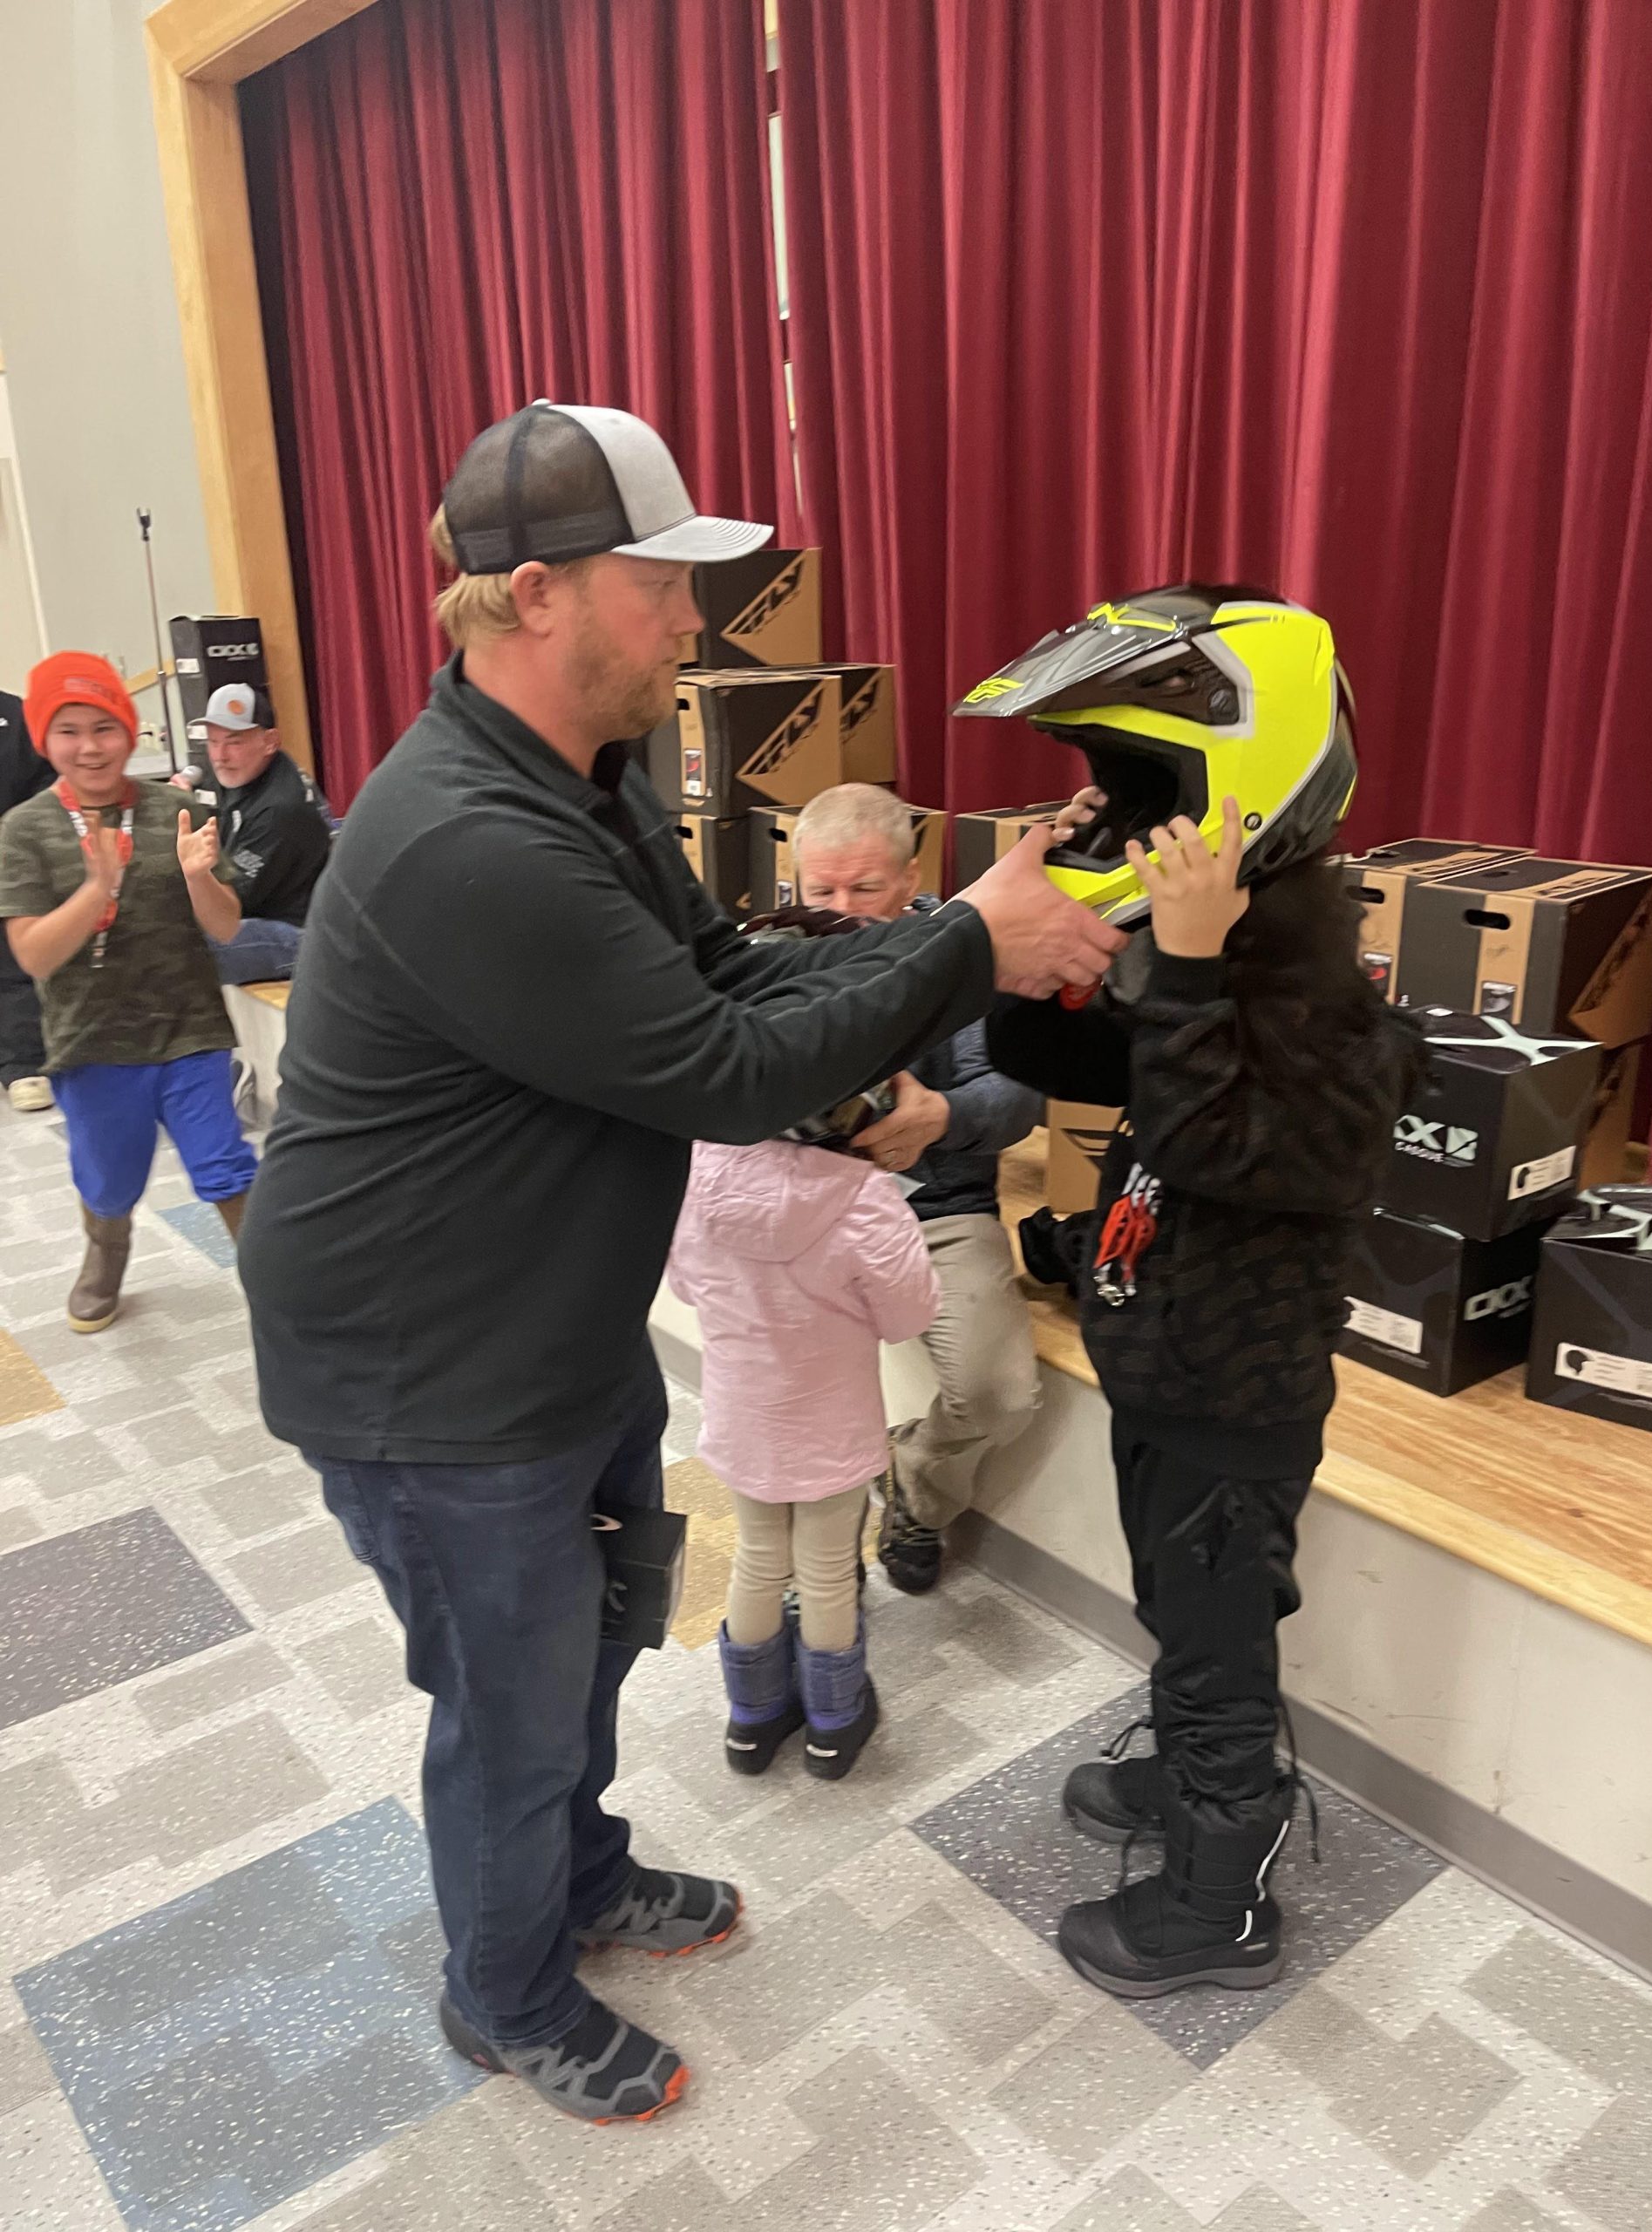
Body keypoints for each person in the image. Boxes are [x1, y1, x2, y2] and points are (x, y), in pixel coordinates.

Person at [236, 402, 1119, 2127]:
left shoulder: (585, 780)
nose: (693, 622)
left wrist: (938, 976)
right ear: (539, 595)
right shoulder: (466, 839)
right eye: (660, 584)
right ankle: (504, 1992)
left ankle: (576, 1876)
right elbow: (720, 1069)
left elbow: (722, 977)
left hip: (546, 1326)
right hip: (427, 1371)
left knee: (586, 1646)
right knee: (509, 1701)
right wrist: (965, 938)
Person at [967, 583, 1424, 1999]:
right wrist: (1050, 933)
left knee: (1220, 1642)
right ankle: (1188, 1771)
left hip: (1236, 1398)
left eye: (1140, 790)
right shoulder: (1214, 966)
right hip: (1162, 1360)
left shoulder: (1326, 1009)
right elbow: (1055, 1065)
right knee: (1181, 1608)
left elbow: (1223, 1143)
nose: (1121, 820)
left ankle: (1222, 1906)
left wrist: (1189, 966)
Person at [667, 924, 942, 1782]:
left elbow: (685, 1284)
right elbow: (909, 1315)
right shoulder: (864, 1198)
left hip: (743, 1423)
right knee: (826, 1573)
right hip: (833, 1431)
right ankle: (832, 1723)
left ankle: (751, 1722)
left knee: (756, 1561)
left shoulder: (697, 1170)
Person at [792, 784, 1044, 1593]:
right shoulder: (772, 956)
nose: (842, 911)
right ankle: (815, 1548)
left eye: (865, 888)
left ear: (910, 879)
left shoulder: (963, 958)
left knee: (1000, 1395)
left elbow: (1019, 1098)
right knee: (780, 1390)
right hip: (804, 1212)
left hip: (936, 1209)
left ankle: (916, 1488)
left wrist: (941, 1118)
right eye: (821, 891)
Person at [0, 653, 257, 1331]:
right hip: (93, 1041)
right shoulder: (25, 828)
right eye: (69, 731)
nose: (89, 747)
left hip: (190, 1029)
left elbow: (227, 927)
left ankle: (278, 1283)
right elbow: (33, 954)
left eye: (104, 727)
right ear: (43, 740)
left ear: (128, 730)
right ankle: (106, 1251)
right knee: (110, 1180)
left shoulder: (178, 810)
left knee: (225, 1165)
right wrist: (97, 889)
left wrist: (198, 877)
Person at [170, 683, 331, 983]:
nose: (220, 756)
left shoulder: (281, 809)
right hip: (259, 913)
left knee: (186, 946)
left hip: (300, 934)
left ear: (270, 742)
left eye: (234, 742)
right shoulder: (239, 772)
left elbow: (228, 911)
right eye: (213, 742)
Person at [0, 685, 54, 1111]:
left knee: (15, 963)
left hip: (10, 862)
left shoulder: (17, 716)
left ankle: (24, 1066)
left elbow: (46, 787)